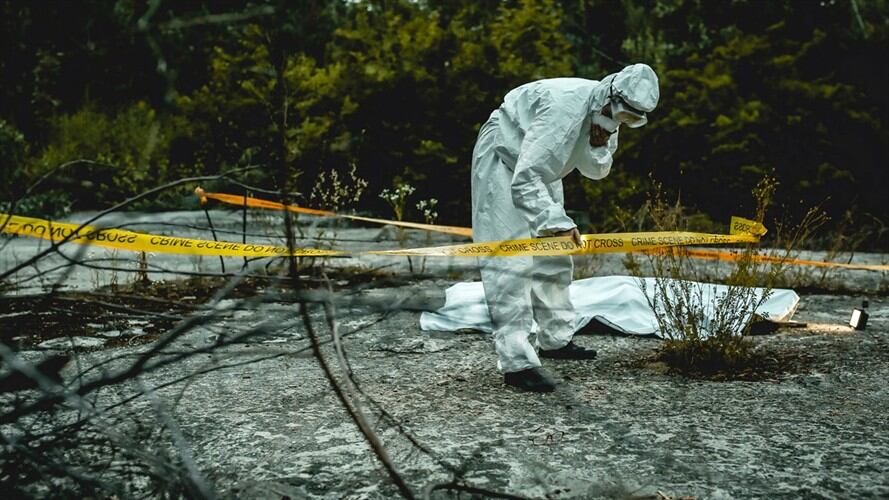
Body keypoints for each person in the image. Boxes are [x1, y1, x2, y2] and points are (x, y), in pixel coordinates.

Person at [470, 63, 660, 392]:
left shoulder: (609, 117)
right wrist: (556, 223)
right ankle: (517, 363)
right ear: (610, 98)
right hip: (504, 161)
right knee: (509, 260)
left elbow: (595, 171)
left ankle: (555, 339)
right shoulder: (564, 108)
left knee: (556, 258)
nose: (622, 123)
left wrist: (599, 144)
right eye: (622, 116)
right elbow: (525, 179)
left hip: (543, 173)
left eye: (630, 120)